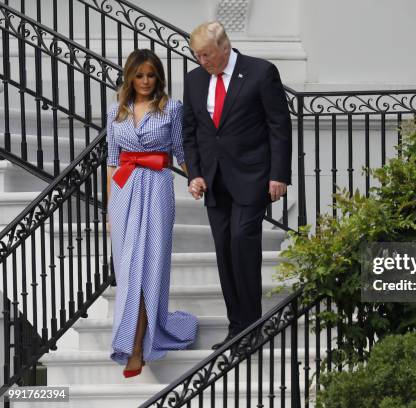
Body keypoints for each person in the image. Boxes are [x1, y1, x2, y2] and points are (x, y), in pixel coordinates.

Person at [182, 22, 292, 351]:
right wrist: (195, 174)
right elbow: (192, 130)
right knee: (225, 251)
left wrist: (279, 175)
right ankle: (237, 328)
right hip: (214, 181)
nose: (202, 60)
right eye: (197, 55)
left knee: (243, 240)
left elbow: (279, 126)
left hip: (253, 176)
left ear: (225, 47)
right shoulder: (194, 79)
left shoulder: (260, 72)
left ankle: (254, 325)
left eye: (207, 54)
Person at [106, 49, 197, 378]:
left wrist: (197, 178)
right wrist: (109, 211)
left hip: (157, 190)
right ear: (129, 77)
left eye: (151, 75)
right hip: (123, 191)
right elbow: (112, 161)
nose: (145, 81)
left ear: (159, 78)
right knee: (129, 272)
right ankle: (133, 341)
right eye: (139, 75)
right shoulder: (116, 111)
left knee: (148, 271)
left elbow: (180, 151)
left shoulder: (172, 108)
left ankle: (135, 348)